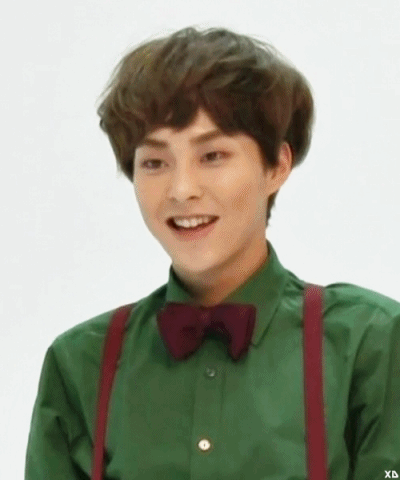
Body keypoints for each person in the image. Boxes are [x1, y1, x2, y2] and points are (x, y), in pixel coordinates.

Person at [25, 26, 400, 479]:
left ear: (277, 166)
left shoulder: (371, 343)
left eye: (213, 156)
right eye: (155, 162)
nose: (181, 189)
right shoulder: (79, 364)